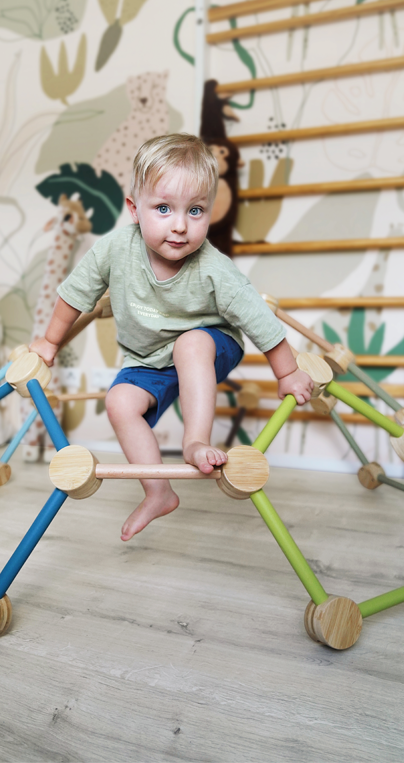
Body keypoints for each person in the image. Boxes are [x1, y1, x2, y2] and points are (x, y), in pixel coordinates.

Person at [31, 133, 313, 541]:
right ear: (135, 209)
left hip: (212, 344)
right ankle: (158, 492)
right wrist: (50, 342)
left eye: (195, 210)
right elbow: (74, 295)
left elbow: (259, 320)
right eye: (163, 208)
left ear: (209, 212)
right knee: (119, 401)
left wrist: (287, 372)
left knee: (191, 343)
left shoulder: (214, 269)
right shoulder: (113, 251)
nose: (180, 225)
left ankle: (196, 441)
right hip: (148, 359)